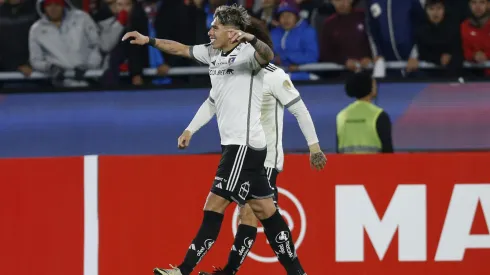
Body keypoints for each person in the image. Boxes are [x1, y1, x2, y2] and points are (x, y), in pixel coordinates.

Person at [122, 4, 307, 275]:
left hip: (242, 146)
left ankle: (183, 270)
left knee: (214, 204)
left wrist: (251, 38)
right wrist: (149, 40)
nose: (210, 31)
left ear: (232, 32)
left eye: (216, 27)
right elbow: (180, 48)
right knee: (266, 210)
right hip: (243, 146)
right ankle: (298, 272)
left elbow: (267, 56)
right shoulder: (213, 53)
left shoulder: (248, 55)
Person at [177, 20, 326, 275]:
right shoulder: (235, 71)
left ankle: (220, 271)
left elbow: (299, 109)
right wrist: (190, 129)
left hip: (264, 158)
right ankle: (290, 271)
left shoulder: (274, 75)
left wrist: (314, 148)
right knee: (260, 213)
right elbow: (212, 102)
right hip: (243, 153)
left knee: (250, 213)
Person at [336, 71, 393, 154]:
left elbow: (339, 150)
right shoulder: (379, 115)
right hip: (374, 166)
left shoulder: (341, 116)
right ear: (369, 87)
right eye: (374, 84)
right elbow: (388, 152)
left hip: (347, 166)